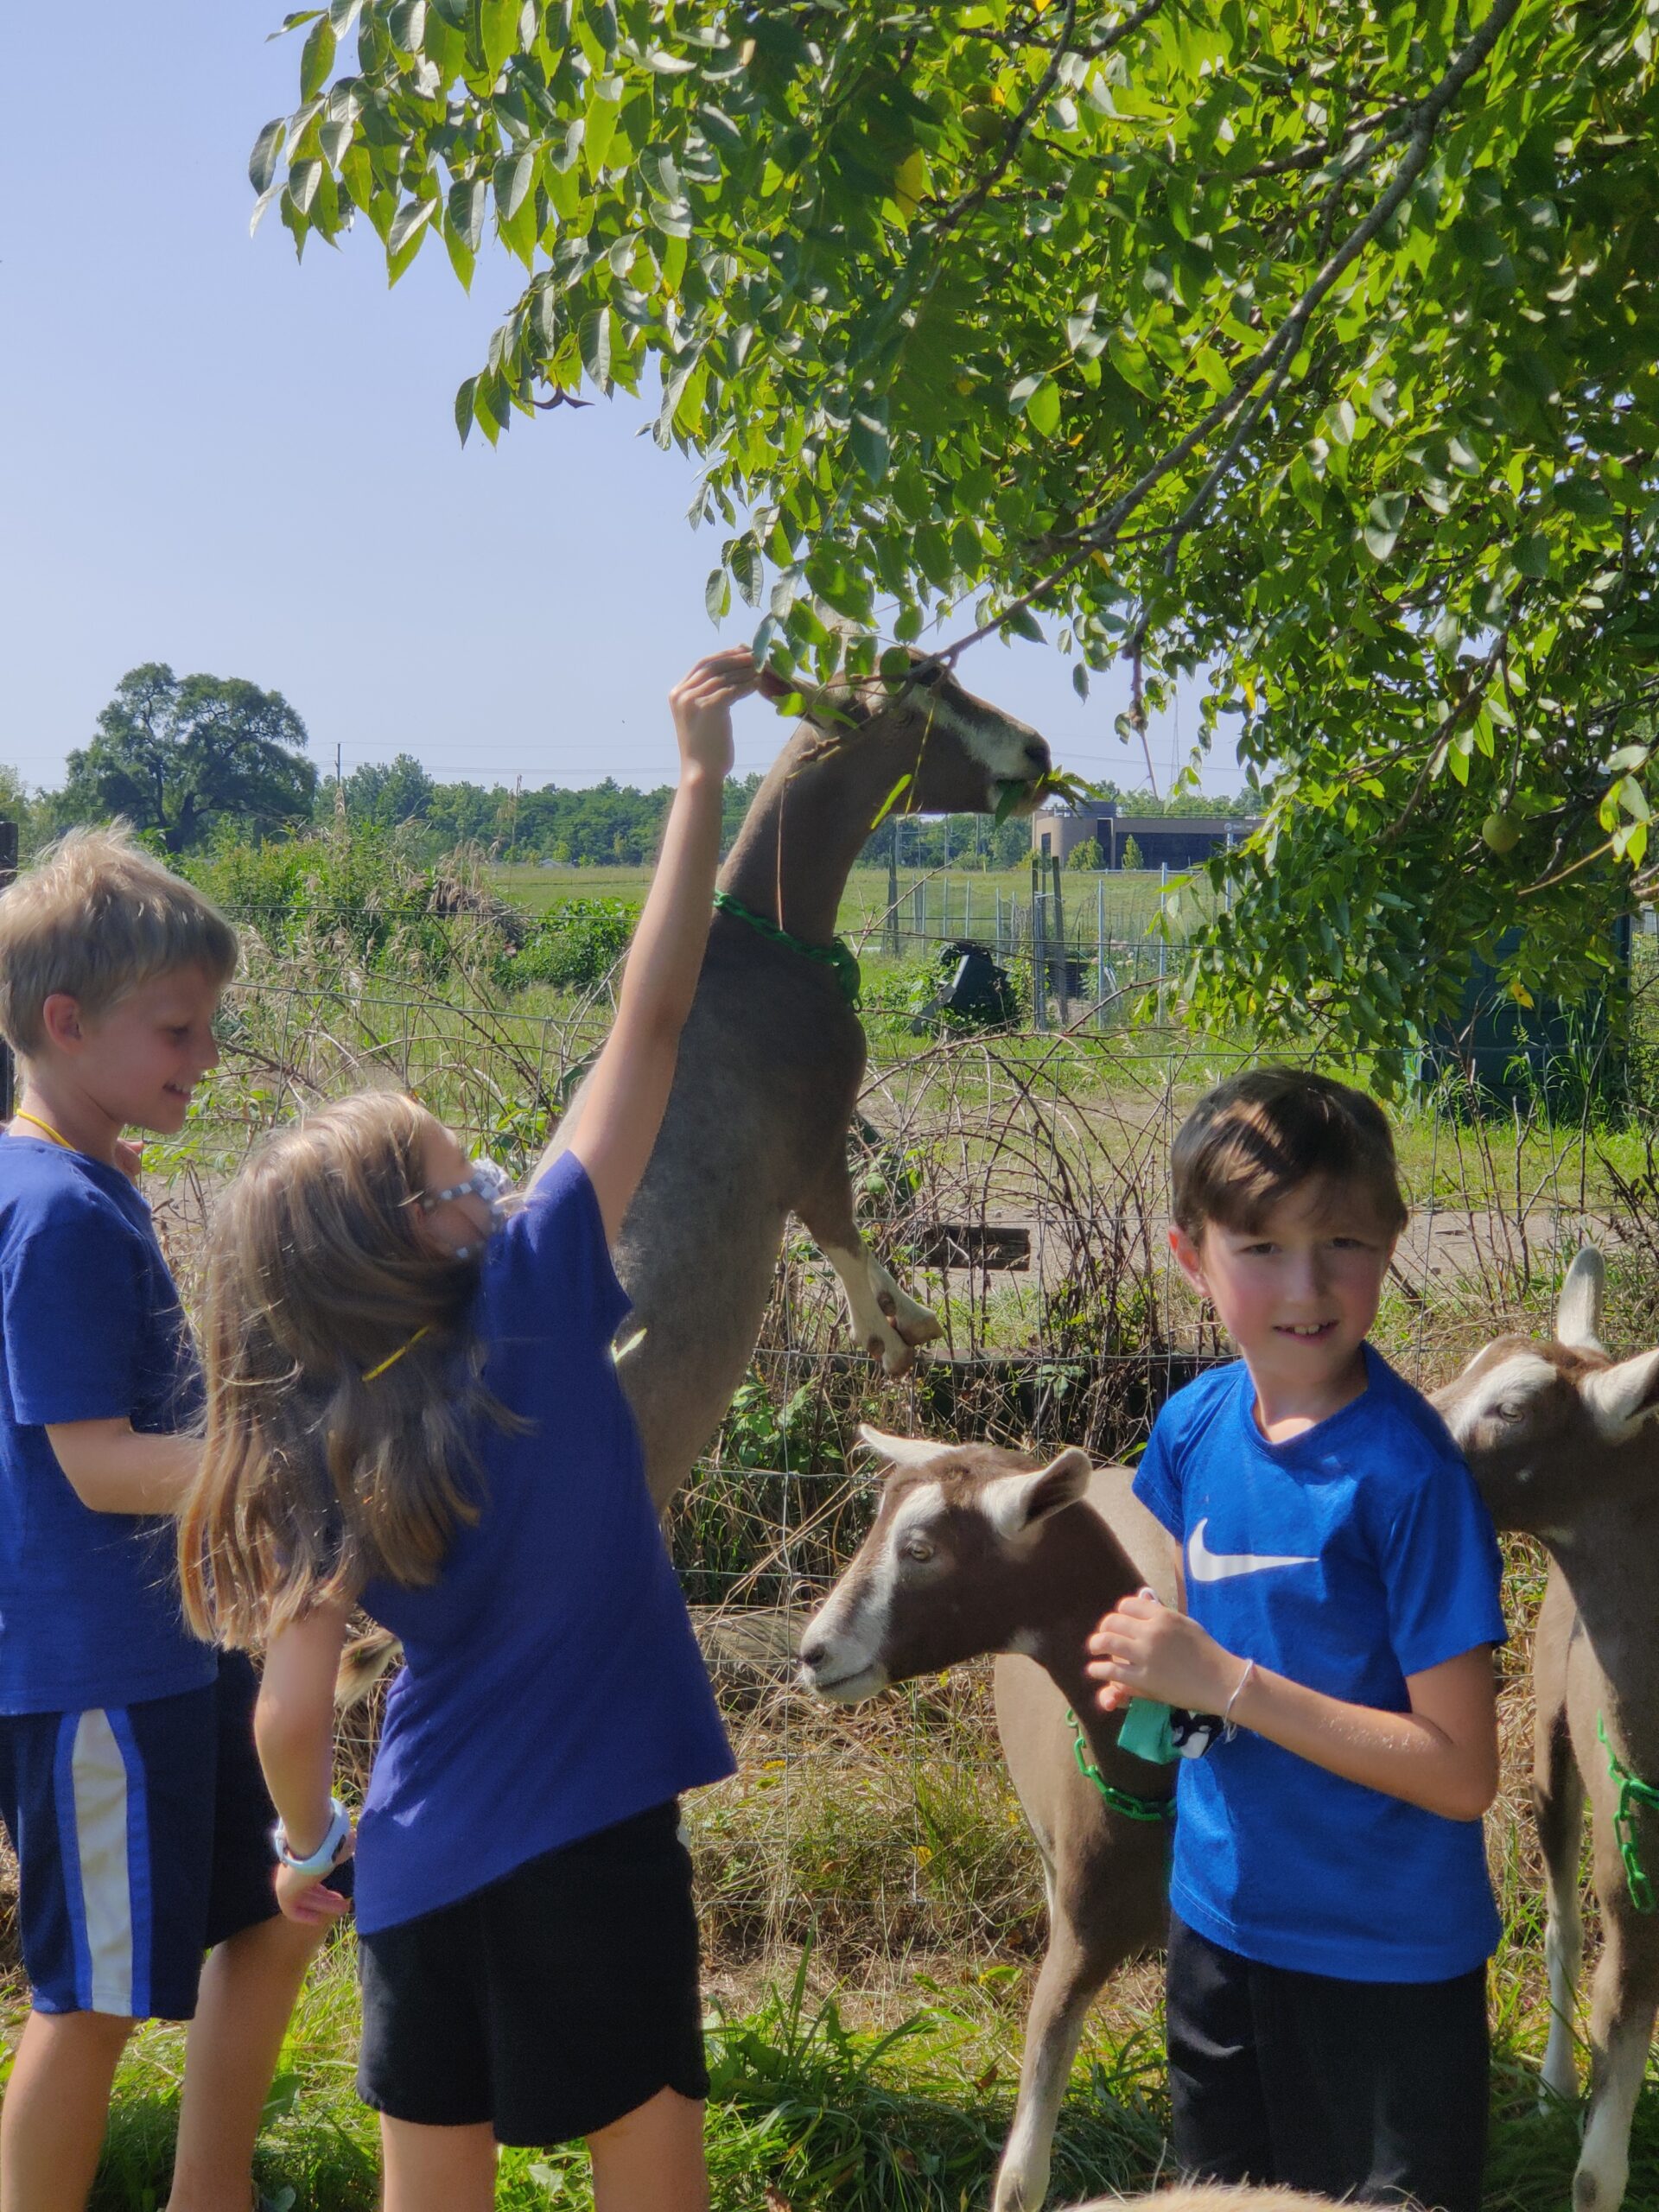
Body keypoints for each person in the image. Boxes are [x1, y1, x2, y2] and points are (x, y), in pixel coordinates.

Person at [178, 650, 757, 2212]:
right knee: (652, 2180)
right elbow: (649, 1027)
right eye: (463, 1172)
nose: (499, 1180)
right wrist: (700, 784)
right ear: (424, 1235)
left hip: (424, 1870)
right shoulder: (538, 1288)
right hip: (599, 1853)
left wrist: (314, 1850)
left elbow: (289, 1719)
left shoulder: (312, 1430)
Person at [1084, 1067, 1504, 2212]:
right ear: (1190, 1256)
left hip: (1385, 1968)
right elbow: (1197, 1634)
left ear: (1393, 1242)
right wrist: (1153, 1684)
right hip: (1221, 1929)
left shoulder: (1410, 1482)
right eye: (1261, 1247)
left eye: (1345, 1244)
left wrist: (1224, 1681)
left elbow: (1462, 1772)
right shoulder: (1193, 1426)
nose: (1307, 1287)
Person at [0, 827, 319, 2212]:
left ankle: (211, 2192)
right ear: (64, 1024)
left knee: (284, 1908)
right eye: (177, 1027)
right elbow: (98, 1464)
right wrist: (287, 1469)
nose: (204, 1054)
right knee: (93, 2000)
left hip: (180, 1653)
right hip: (97, 1678)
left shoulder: (90, 1180)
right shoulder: (55, 1211)